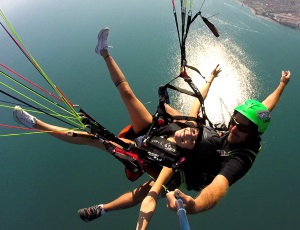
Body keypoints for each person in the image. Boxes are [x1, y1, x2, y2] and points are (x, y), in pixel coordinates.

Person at [12, 27, 221, 222]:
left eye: (190, 141)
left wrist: (105, 209)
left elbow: (141, 196)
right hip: (150, 131)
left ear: (188, 151)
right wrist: (210, 77)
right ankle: (103, 52)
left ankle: (36, 124)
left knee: (92, 139)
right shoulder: (189, 126)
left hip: (139, 152)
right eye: (193, 132)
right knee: (127, 93)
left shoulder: (172, 167)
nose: (188, 134)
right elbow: (197, 100)